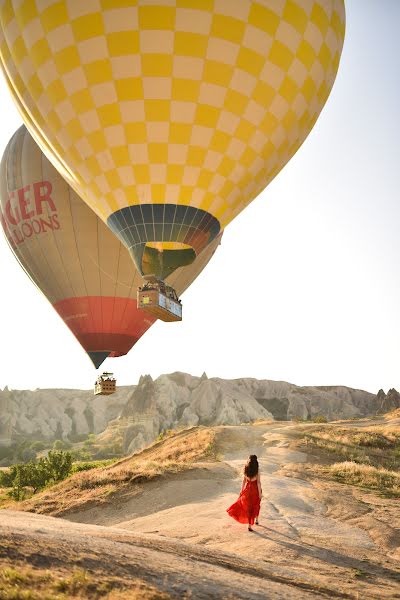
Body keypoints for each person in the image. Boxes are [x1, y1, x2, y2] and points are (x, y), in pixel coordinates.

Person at [226, 455, 262, 532]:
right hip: (255, 490)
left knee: (248, 507)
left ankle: (249, 525)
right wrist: (260, 493)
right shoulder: (257, 470)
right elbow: (258, 483)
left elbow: (244, 481)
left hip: (247, 490)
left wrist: (241, 490)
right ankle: (257, 520)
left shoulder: (246, 468)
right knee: (256, 505)